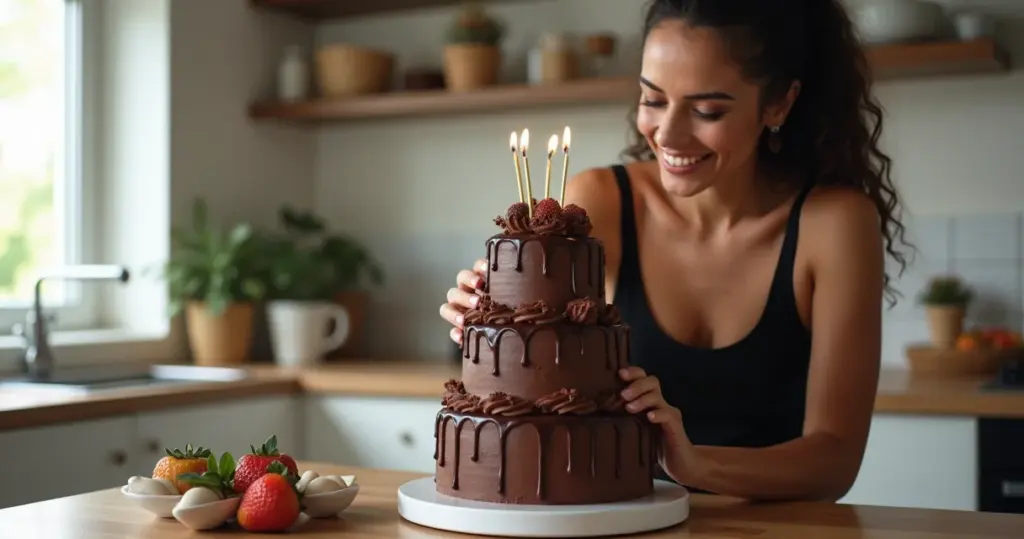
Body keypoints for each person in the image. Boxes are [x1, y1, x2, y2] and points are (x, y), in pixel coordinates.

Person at [440, 0, 911, 502]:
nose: (667, 134)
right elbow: (539, 370)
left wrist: (694, 463)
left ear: (779, 103)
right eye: (653, 100)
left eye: (708, 110)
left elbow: (833, 460)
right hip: (618, 525)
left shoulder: (834, 225)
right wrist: (498, 310)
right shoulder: (601, 201)